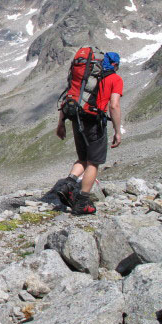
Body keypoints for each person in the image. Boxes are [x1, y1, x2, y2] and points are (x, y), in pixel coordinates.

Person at [55, 52, 123, 215]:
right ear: (115, 65)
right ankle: (82, 202)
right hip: (94, 123)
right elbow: (114, 105)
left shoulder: (86, 77)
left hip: (76, 118)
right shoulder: (115, 79)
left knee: (83, 159)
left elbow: (69, 95)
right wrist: (117, 131)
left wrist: (61, 123)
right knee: (93, 162)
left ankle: (68, 185)